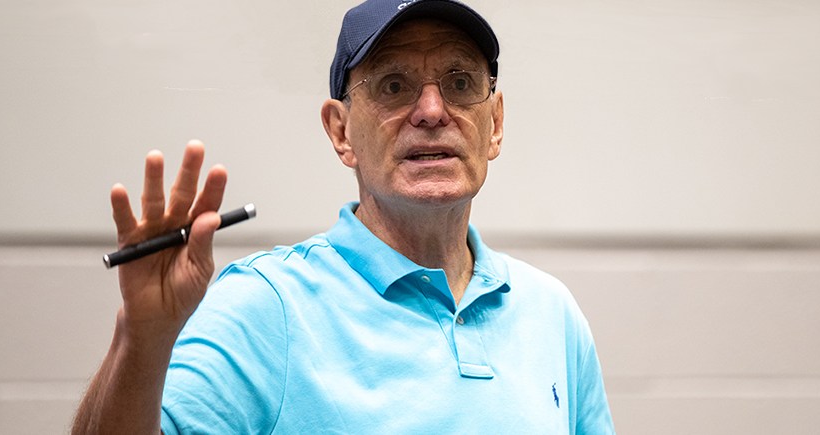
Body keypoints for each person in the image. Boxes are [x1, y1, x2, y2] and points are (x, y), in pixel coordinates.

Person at [72, 0, 615, 433]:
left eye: (459, 82)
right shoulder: (267, 308)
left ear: (494, 123)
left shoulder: (553, 314)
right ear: (340, 131)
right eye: (394, 85)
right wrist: (140, 342)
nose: (432, 111)